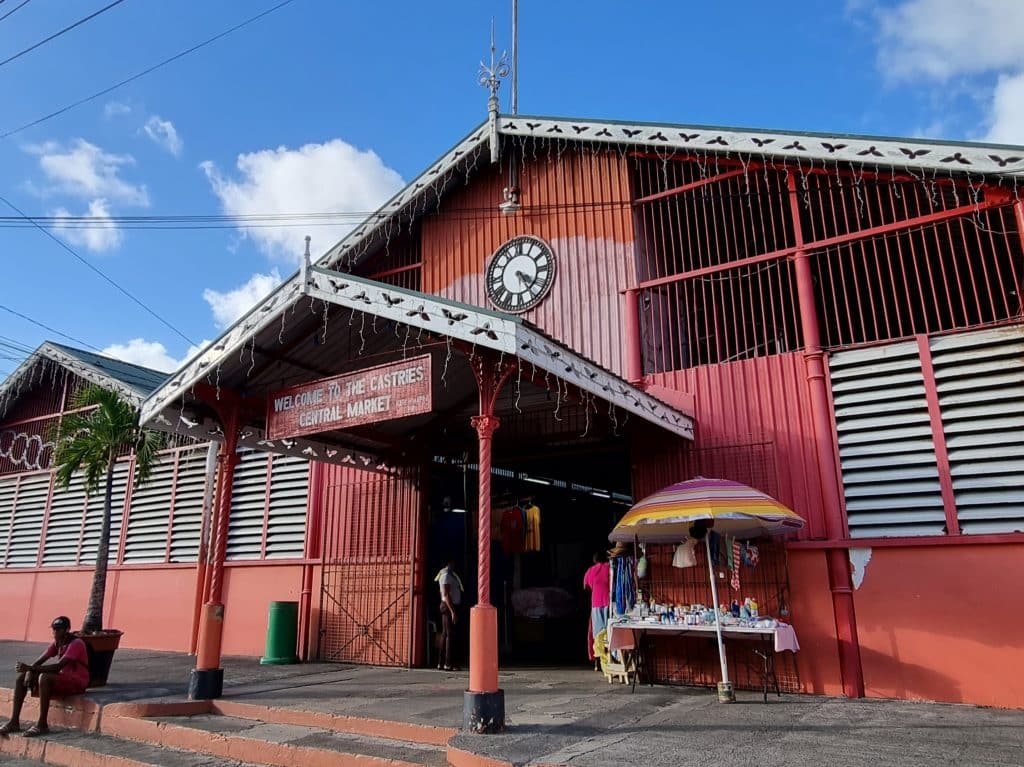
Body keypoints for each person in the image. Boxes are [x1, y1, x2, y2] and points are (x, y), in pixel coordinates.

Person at [0, 616, 90, 738]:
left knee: (45, 677)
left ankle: (42, 724)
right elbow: (39, 661)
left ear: (67, 630)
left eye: (59, 629)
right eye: (54, 629)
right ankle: (14, 722)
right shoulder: (57, 643)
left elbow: (58, 667)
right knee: (21, 678)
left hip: (77, 681)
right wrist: (29, 671)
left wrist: (31, 668)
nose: (55, 632)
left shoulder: (76, 643)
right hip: (64, 678)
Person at [583, 551, 610, 670]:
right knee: (610, 633)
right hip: (609, 603)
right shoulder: (610, 567)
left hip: (596, 604)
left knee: (597, 634)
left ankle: (597, 663)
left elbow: (586, 586)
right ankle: (611, 660)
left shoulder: (590, 570)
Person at [435, 557, 463, 671]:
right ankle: (447, 663)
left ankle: (441, 663)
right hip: (449, 606)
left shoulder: (450, 575)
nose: (454, 565)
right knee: (449, 635)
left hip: (449, 605)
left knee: (446, 634)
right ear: (448, 563)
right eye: (452, 562)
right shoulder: (446, 575)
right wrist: (453, 612)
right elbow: (446, 594)